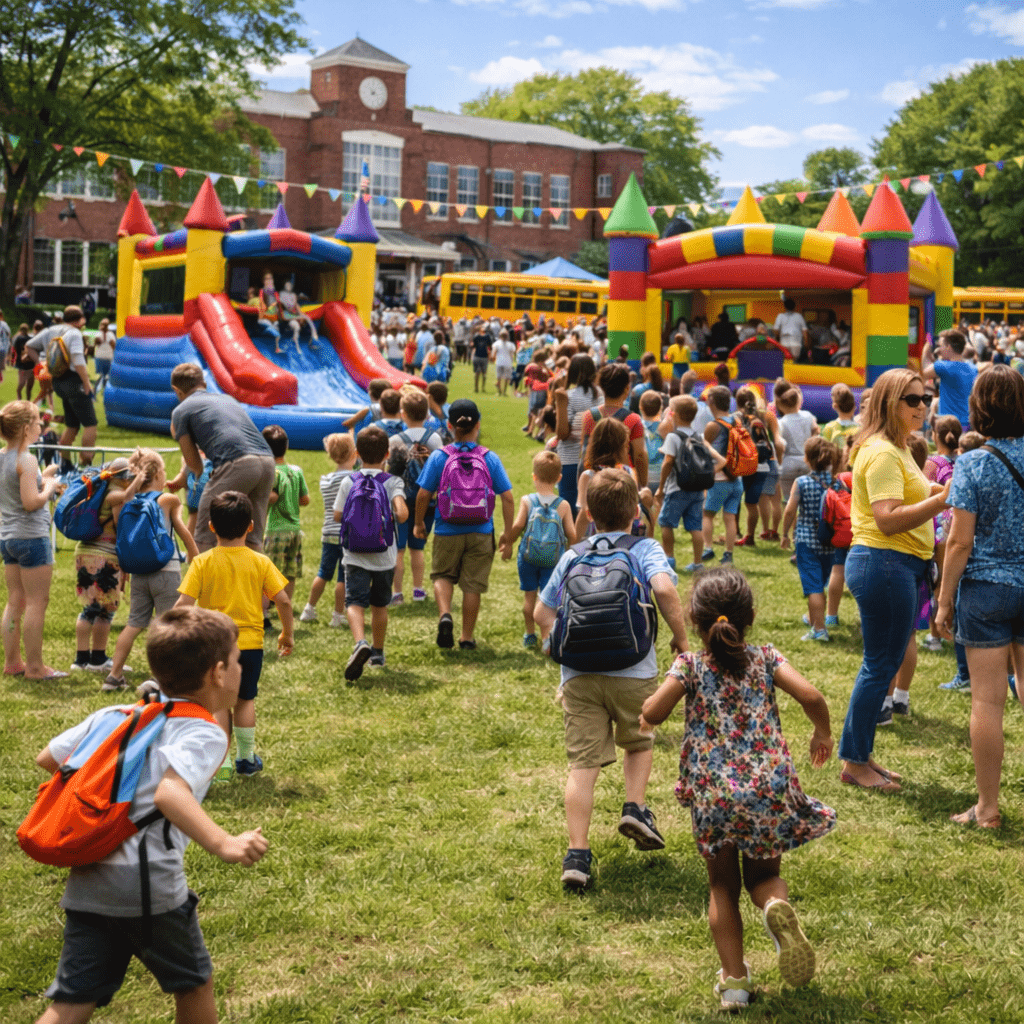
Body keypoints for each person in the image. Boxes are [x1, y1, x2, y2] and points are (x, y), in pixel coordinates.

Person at [32, 606, 269, 1024]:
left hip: (87, 883)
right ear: (217, 673)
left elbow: (49, 759)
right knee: (194, 984)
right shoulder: (204, 731)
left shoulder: (115, 716)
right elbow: (170, 792)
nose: (239, 669)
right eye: (236, 661)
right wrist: (224, 843)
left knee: (71, 1002)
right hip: (148, 885)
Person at [640, 566, 835, 1009]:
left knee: (722, 887)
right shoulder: (766, 658)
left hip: (715, 794)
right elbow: (812, 697)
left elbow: (654, 711)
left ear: (694, 619)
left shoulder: (688, 665)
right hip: (768, 785)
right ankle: (772, 910)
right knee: (765, 876)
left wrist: (645, 716)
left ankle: (734, 983)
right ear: (749, 617)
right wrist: (822, 733)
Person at [532, 469, 688, 891]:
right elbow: (666, 591)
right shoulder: (645, 548)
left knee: (582, 766)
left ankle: (577, 855)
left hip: (578, 673)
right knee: (639, 739)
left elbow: (541, 614)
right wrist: (681, 638)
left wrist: (554, 647)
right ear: (635, 512)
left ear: (589, 513)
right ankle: (635, 807)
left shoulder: (573, 554)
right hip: (633, 667)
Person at [839, 369, 949, 790]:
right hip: (885, 563)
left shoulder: (898, 448)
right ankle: (855, 762)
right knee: (879, 666)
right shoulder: (884, 452)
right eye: (913, 400)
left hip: (896, 565)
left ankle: (861, 756)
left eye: (925, 398)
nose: (923, 406)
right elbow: (886, 521)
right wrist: (942, 501)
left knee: (881, 665)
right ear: (890, 403)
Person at [935, 365, 1024, 829]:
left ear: (979, 407)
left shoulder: (972, 463)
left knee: (987, 703)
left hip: (987, 589)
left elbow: (959, 541)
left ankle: (987, 808)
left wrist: (944, 600)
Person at [176, 491, 294, 779]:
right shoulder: (260, 562)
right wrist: (287, 634)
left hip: (212, 646)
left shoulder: (201, 563)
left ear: (212, 527)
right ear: (250, 526)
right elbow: (284, 601)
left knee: (216, 703)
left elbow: (183, 606)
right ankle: (246, 758)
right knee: (245, 700)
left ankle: (221, 764)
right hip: (250, 645)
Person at [414, 399, 514, 651]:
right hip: (481, 530)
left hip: (447, 528)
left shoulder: (439, 456)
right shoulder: (490, 458)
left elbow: (423, 494)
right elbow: (509, 497)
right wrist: (507, 532)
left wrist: (418, 524)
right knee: (472, 586)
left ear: (449, 426)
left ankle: (445, 614)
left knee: (442, 575)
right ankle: (466, 638)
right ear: (478, 425)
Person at [104, 449, 200, 692]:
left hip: (139, 574)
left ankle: (114, 676)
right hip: (165, 572)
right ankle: (163, 678)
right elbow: (183, 531)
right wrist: (197, 560)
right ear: (156, 473)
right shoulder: (168, 500)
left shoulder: (129, 502)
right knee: (170, 626)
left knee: (134, 623)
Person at [169, 363, 276, 554]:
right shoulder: (227, 399)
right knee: (252, 536)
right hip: (267, 460)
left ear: (176, 390)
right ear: (203, 383)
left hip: (238, 462)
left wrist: (178, 434)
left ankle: (201, 582)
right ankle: (258, 582)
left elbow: (195, 465)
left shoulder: (181, 410)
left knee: (204, 528)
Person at [334, 425, 408, 680]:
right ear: (387, 453)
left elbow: (337, 514)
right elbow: (403, 512)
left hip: (354, 553)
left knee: (354, 602)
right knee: (380, 604)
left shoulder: (348, 480)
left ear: (357, 453)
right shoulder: (392, 482)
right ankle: (377, 652)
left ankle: (359, 642)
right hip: (384, 555)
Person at [0, 401, 64, 680]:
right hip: (32, 538)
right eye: (38, 422)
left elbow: (16, 491)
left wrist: (42, 477)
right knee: (38, 601)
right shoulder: (26, 459)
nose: (41, 426)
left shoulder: (3, 457)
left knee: (15, 599)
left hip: (9, 537)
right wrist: (48, 488)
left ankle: (13, 661)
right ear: (27, 429)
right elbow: (30, 502)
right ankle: (36, 668)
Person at [500, 450, 577, 648]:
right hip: (554, 560)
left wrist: (508, 543)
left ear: (534, 476)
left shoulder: (528, 501)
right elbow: (572, 534)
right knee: (550, 601)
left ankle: (529, 634)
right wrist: (571, 555)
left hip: (528, 557)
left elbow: (517, 526)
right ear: (559, 478)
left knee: (529, 598)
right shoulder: (564, 506)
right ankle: (547, 637)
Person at [70, 458, 133, 675]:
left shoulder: (98, 490)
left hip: (85, 552)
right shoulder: (115, 495)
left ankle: (81, 659)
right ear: (123, 478)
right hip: (104, 556)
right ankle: (96, 658)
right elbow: (120, 528)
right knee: (105, 610)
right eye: (130, 476)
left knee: (90, 607)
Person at [655, 395, 726, 572]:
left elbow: (668, 462)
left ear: (674, 415)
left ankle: (669, 558)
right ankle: (697, 563)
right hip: (696, 489)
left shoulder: (673, 437)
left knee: (666, 523)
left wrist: (661, 487)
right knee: (695, 527)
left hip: (676, 488)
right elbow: (716, 460)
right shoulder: (699, 437)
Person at [780, 437, 841, 642]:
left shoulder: (802, 482)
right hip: (830, 542)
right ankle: (814, 622)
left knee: (813, 588)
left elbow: (790, 511)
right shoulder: (837, 482)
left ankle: (820, 630)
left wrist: (784, 534)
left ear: (807, 459)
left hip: (807, 541)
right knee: (820, 584)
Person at [25, 305, 98, 467]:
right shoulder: (75, 334)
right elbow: (78, 361)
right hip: (74, 381)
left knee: (72, 424)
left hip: (58, 381)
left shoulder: (51, 331)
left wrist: (40, 363)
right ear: (81, 320)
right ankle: (86, 464)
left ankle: (64, 463)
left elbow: (29, 345)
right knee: (90, 424)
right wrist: (87, 384)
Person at [390, 390, 444, 605]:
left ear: (403, 413)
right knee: (417, 548)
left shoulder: (395, 439)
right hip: (427, 501)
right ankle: (418, 589)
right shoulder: (435, 438)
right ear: (427, 413)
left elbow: (391, 473)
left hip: (400, 500)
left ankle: (397, 593)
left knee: (399, 550)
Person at [299, 433, 356, 628]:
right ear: (353, 454)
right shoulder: (354, 480)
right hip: (347, 534)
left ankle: (309, 608)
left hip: (328, 533)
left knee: (323, 572)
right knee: (343, 576)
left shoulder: (325, 480)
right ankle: (337, 615)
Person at [261, 425, 310, 611]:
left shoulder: (272, 472)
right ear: (287, 446)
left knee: (268, 573)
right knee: (290, 573)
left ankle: (263, 611)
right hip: (295, 531)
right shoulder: (296, 471)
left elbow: (272, 498)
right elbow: (305, 500)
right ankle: (285, 607)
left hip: (275, 531)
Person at [578, 363, 648, 488]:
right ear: (627, 388)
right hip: (622, 481)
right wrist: (642, 483)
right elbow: (639, 455)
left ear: (602, 388)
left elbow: (584, 451)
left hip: (594, 481)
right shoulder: (633, 419)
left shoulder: (589, 416)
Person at [553, 354, 602, 516]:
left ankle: (573, 542)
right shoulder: (601, 395)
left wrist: (559, 401)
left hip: (571, 460)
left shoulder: (570, 396)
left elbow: (562, 433)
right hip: (597, 459)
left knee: (570, 510)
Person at [701, 386, 744, 565]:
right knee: (730, 517)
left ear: (712, 401)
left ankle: (708, 548)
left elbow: (703, 448)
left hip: (719, 479)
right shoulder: (737, 421)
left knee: (707, 514)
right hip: (736, 479)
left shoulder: (713, 426)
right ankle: (728, 553)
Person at [921, 329, 977, 432]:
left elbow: (924, 372)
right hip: (966, 422)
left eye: (941, 345)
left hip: (947, 424)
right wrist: (941, 357)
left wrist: (926, 348)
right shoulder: (972, 368)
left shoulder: (944, 367)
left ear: (949, 347)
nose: (939, 348)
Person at [776, 386, 819, 500]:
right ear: (798, 402)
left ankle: (791, 517)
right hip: (806, 461)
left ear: (782, 406)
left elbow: (779, 443)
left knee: (788, 500)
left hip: (788, 462)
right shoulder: (808, 416)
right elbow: (816, 429)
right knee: (807, 498)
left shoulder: (782, 422)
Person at [277, 279, 318, 352]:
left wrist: (301, 317)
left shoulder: (295, 304)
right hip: (289, 321)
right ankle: (293, 342)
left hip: (295, 319)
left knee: (308, 320)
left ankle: (313, 339)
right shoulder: (283, 304)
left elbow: (299, 312)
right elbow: (284, 316)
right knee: (296, 326)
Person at [11, 322, 35, 401]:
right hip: (30, 364)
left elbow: (14, 350)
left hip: (21, 364)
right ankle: (28, 401)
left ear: (20, 330)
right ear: (28, 330)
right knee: (29, 387)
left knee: (21, 384)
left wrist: (12, 360)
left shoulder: (18, 338)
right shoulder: (31, 339)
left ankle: (19, 400)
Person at [93, 318, 116, 392]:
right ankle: (98, 390)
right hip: (108, 357)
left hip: (99, 357)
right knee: (107, 375)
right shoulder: (110, 334)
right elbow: (113, 346)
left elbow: (95, 344)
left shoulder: (98, 334)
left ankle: (100, 389)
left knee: (103, 375)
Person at [492, 329, 516, 397]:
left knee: (499, 378)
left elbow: (494, 353)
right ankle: (504, 392)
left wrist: (493, 359)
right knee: (506, 378)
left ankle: (499, 391)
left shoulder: (496, 343)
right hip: (507, 363)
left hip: (499, 362)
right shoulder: (511, 344)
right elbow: (512, 354)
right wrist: (512, 362)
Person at [471, 322, 492, 393]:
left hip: (480, 356)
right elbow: (489, 347)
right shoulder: (484, 337)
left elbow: (473, 346)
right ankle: (478, 388)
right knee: (480, 373)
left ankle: (480, 388)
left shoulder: (477, 336)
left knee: (481, 373)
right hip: (480, 357)